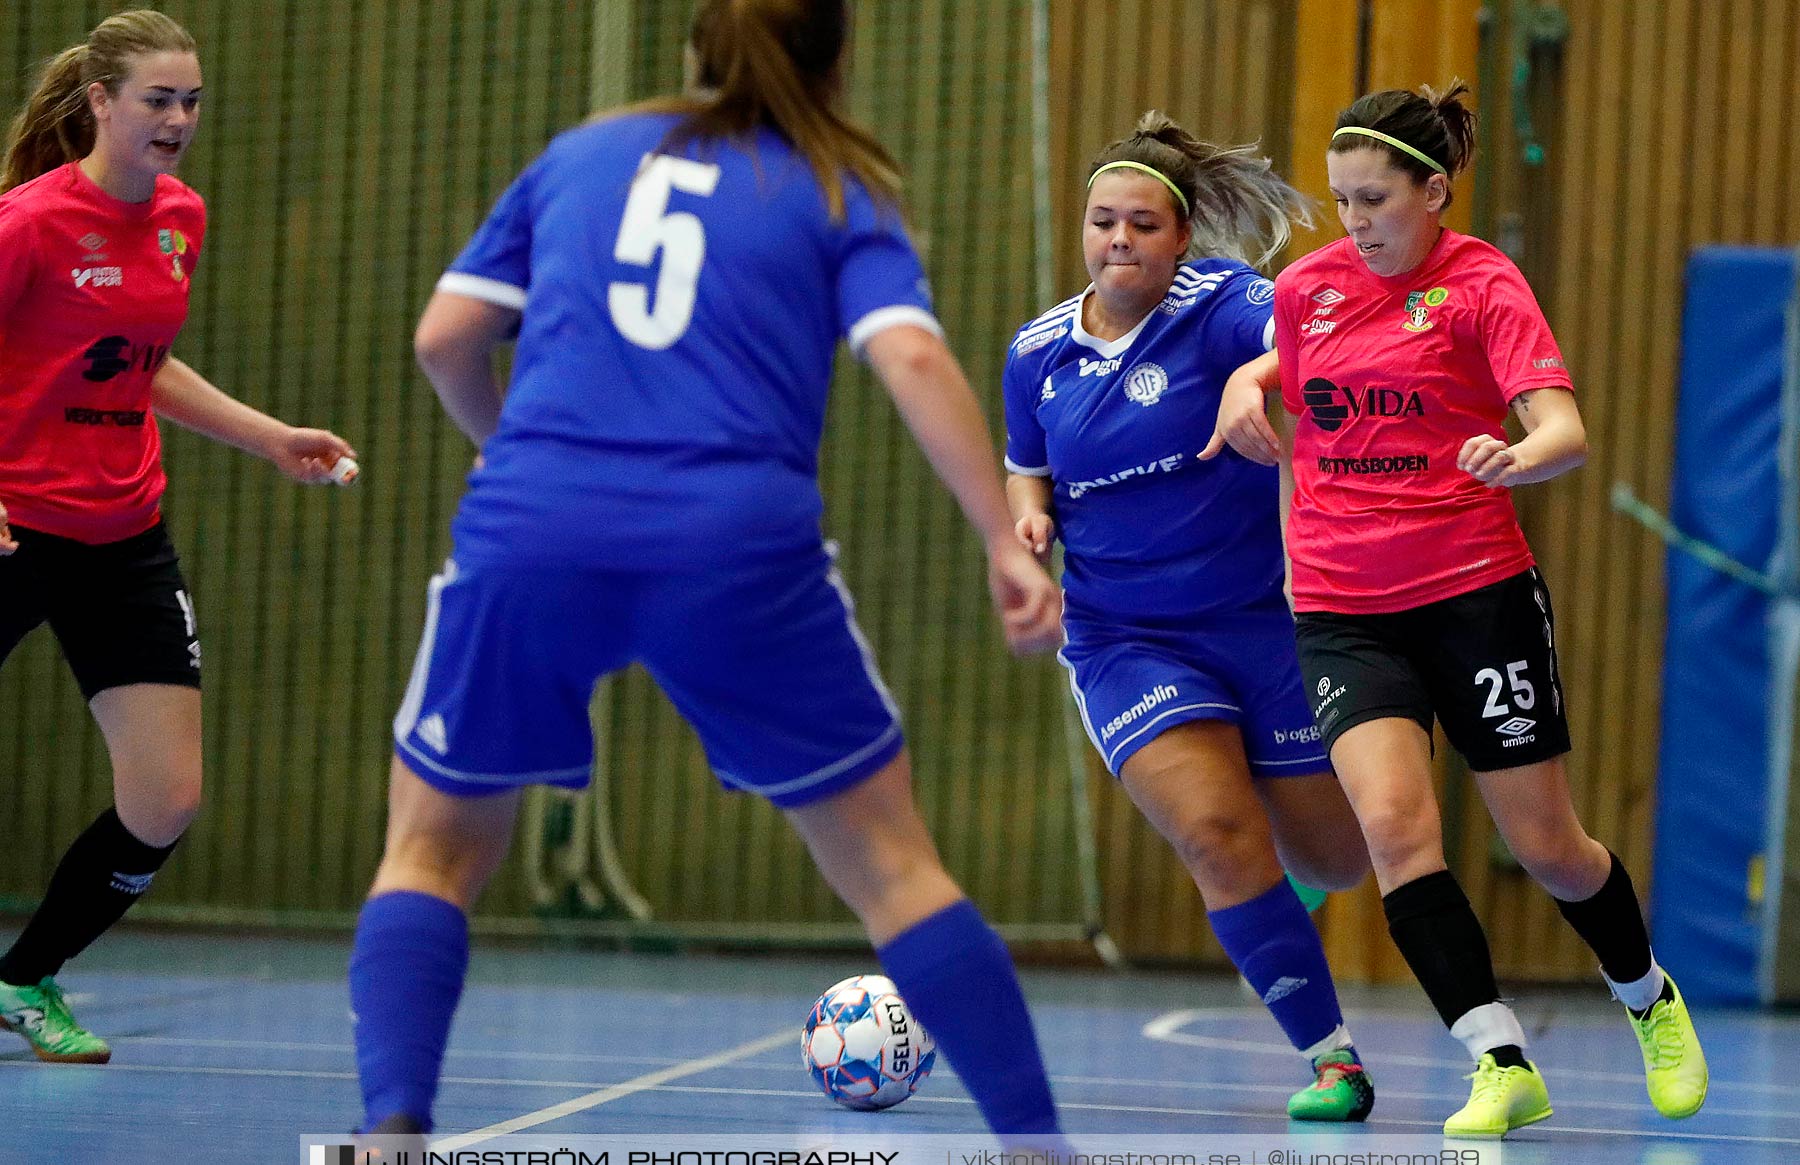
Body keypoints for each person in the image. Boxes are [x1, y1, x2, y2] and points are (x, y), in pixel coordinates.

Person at [346, 0, 1067, 1142]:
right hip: (731, 541)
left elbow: (445, 338)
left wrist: (518, 451)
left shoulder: (581, 153)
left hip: (532, 523)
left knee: (428, 851)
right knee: (891, 867)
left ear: (694, 50)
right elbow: (911, 351)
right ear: (838, 63)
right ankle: (1038, 1142)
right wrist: (998, 533)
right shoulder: (837, 184)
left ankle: (390, 1124)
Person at [1205, 81, 1707, 1138]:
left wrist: (1514, 455)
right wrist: (1242, 387)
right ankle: (1500, 1059)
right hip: (1343, 609)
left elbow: (1562, 427)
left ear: (1435, 192)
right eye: (1342, 201)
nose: (1356, 222)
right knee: (1394, 829)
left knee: (1549, 845)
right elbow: (1289, 371)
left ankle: (1647, 996)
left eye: (1376, 199)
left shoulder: (1484, 286)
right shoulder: (1309, 288)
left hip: (1475, 594)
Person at [0, 9, 358, 1064]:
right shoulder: (27, 223)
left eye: (191, 101)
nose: (178, 119)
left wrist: (269, 437)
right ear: (100, 102)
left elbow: (135, 359)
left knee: (166, 799)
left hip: (123, 534)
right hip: (16, 528)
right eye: (157, 98)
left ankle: (26, 977)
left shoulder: (180, 218)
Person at [1002, 111, 1376, 1122]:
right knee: (1216, 830)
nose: (1118, 241)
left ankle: (1281, 872)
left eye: (1142, 225)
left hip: (1260, 618)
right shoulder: (1036, 354)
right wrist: (1030, 528)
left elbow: (1313, 341)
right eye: (1101, 222)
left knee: (1339, 857)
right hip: (1127, 637)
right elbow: (1024, 474)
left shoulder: (1219, 306)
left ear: (1182, 236)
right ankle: (1333, 1057)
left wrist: (1258, 380)